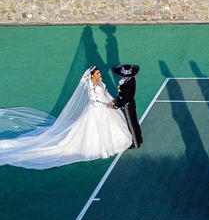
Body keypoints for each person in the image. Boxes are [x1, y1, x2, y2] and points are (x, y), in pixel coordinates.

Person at [0, 67, 132, 170]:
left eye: (99, 73)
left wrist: (111, 99)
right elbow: (93, 99)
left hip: (106, 105)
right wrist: (105, 105)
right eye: (97, 73)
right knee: (95, 129)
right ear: (91, 76)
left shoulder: (99, 82)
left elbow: (105, 91)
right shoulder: (90, 86)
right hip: (97, 108)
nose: (99, 75)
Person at [111, 64, 143, 149]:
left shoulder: (128, 85)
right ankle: (139, 138)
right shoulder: (130, 80)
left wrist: (115, 105)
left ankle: (135, 143)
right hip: (130, 103)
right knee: (134, 122)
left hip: (127, 106)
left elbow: (125, 99)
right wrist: (118, 100)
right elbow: (123, 96)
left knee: (131, 124)